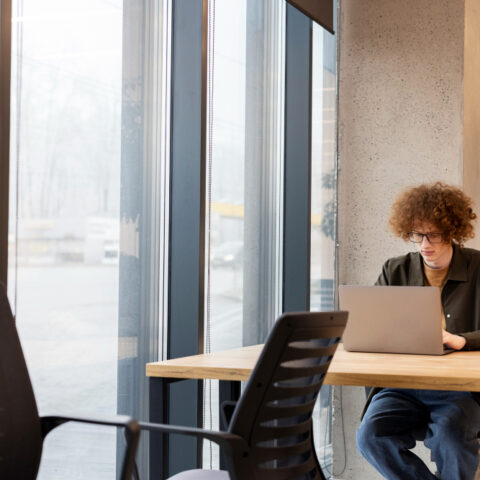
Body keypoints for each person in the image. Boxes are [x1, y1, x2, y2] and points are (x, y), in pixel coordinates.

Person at [356, 182, 480, 480]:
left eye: (434, 234)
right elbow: (372, 325)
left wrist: (462, 340)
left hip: (458, 387)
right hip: (401, 384)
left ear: (453, 231)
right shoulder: (394, 269)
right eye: (417, 234)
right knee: (371, 436)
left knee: (452, 439)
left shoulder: (478, 266)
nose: (425, 243)